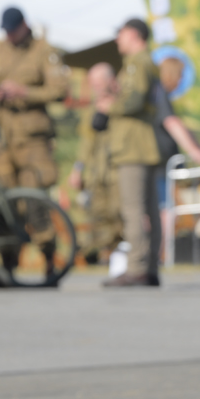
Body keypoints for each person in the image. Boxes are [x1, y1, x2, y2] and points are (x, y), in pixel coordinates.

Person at [0, 6, 71, 285]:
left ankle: (49, 264)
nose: (9, 35)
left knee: (34, 202)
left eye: (13, 30)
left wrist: (25, 92)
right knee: (1, 205)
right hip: (3, 138)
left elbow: (59, 90)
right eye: (5, 31)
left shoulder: (44, 51)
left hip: (32, 139)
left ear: (24, 26)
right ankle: (5, 269)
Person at [97, 18, 162, 287]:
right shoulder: (145, 62)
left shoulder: (137, 63)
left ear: (134, 35)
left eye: (121, 34)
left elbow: (133, 100)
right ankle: (150, 268)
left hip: (132, 146)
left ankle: (137, 268)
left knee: (133, 210)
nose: (117, 40)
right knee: (149, 210)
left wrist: (108, 105)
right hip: (141, 144)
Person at [70, 63, 123, 261]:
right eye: (93, 83)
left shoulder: (122, 104)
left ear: (111, 81)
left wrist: (113, 108)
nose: (96, 87)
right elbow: (87, 142)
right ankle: (105, 254)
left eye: (99, 82)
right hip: (97, 172)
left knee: (119, 213)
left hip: (117, 169)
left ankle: (120, 253)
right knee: (99, 213)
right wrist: (78, 170)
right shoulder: (91, 109)